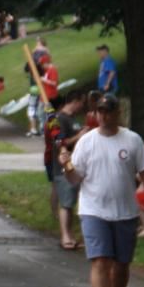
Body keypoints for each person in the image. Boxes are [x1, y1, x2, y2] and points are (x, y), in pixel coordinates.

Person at [59, 95, 144, 287]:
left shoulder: (132, 140)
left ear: (118, 113)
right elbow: (75, 179)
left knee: (122, 264)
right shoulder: (86, 142)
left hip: (124, 211)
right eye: (100, 111)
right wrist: (67, 165)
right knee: (101, 261)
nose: (103, 116)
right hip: (94, 210)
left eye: (108, 111)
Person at [44, 93, 85, 250]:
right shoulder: (59, 119)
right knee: (66, 203)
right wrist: (79, 136)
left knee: (72, 203)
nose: (82, 107)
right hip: (63, 167)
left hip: (76, 166)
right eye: (80, 103)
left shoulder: (72, 119)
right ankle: (65, 236)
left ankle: (71, 235)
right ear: (74, 101)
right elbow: (60, 142)